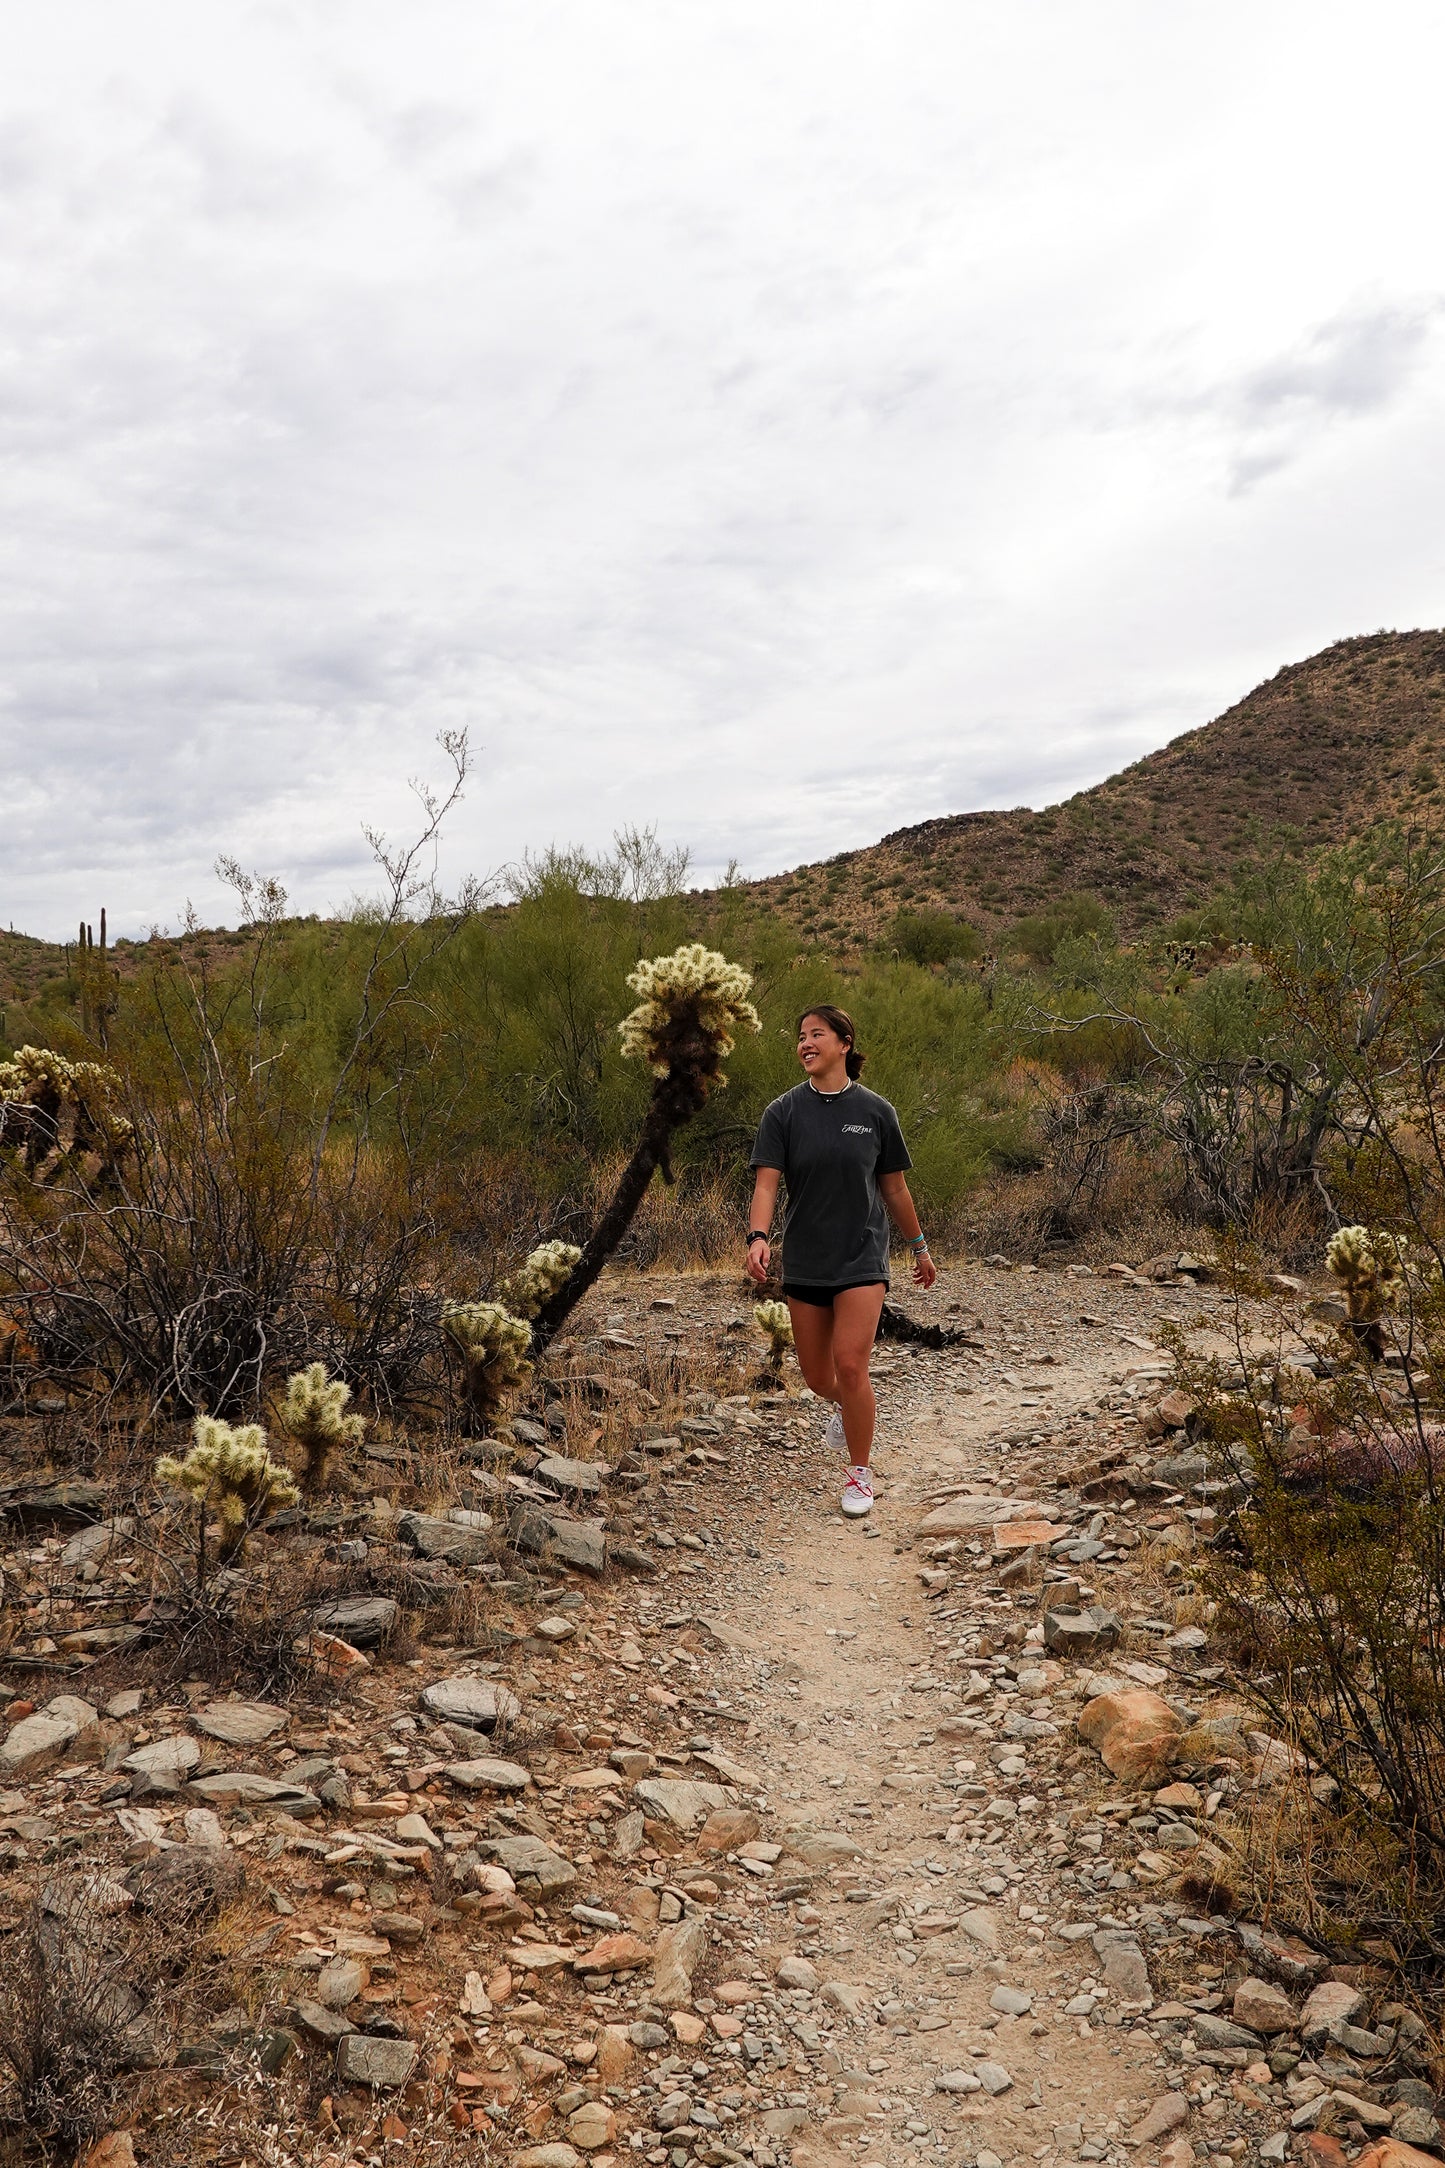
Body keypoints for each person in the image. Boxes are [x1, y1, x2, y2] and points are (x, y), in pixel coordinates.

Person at [745, 1004, 936, 1517]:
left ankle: (859, 1474)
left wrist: (918, 1247)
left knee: (852, 1365)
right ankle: (850, 1407)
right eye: (801, 1036)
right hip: (806, 1260)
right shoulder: (782, 1112)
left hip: (862, 1257)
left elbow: (894, 1188)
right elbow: (767, 1183)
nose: (805, 1043)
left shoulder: (876, 1112)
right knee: (817, 1378)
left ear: (844, 1043)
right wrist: (758, 1237)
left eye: (817, 1034)